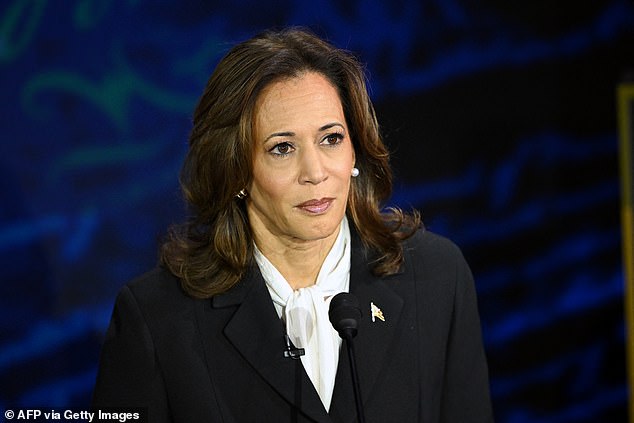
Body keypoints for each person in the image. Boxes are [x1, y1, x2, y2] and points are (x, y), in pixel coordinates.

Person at [92, 27, 494, 422]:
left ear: (356, 150)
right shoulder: (157, 321)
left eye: (331, 139)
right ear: (234, 170)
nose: (315, 172)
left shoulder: (438, 278)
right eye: (282, 148)